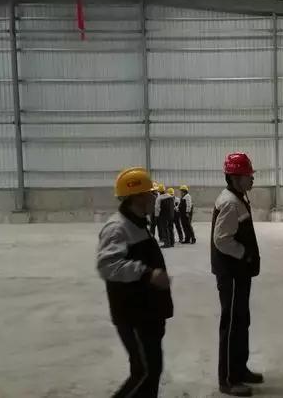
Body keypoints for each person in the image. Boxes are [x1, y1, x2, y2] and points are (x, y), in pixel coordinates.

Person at [96, 167, 173, 398]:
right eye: (151, 193)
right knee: (144, 372)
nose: (154, 197)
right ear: (137, 197)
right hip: (134, 315)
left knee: (151, 370)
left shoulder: (138, 223)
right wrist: (147, 274)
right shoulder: (117, 227)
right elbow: (107, 265)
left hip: (147, 312)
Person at [211, 152, 263, 397]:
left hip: (239, 274)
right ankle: (228, 380)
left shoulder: (238, 198)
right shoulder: (231, 203)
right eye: (247, 175)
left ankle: (240, 369)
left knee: (242, 321)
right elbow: (222, 240)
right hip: (231, 273)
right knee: (232, 324)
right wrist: (245, 254)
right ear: (234, 177)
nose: (251, 179)